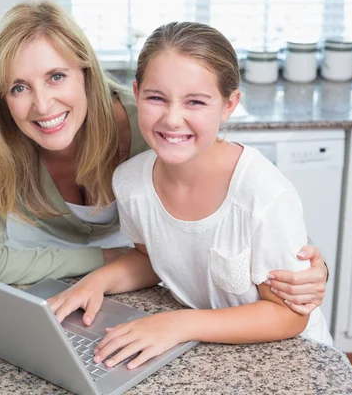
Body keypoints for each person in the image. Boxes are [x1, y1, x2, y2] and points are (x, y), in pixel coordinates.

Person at [0, 0, 328, 314]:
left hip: (147, 268)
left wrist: (314, 268)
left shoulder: (154, 127)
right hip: (111, 269)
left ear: (86, 74)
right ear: (1, 99)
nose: (42, 104)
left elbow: (250, 211)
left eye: (56, 76)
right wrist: (103, 263)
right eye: (19, 87)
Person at [47, 21, 334, 370]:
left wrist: (178, 324)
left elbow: (288, 317)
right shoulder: (130, 183)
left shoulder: (263, 194)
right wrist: (97, 282)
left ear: (229, 105)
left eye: (195, 102)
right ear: (136, 94)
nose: (172, 118)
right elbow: (151, 259)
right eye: (156, 98)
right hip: (210, 353)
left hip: (290, 360)